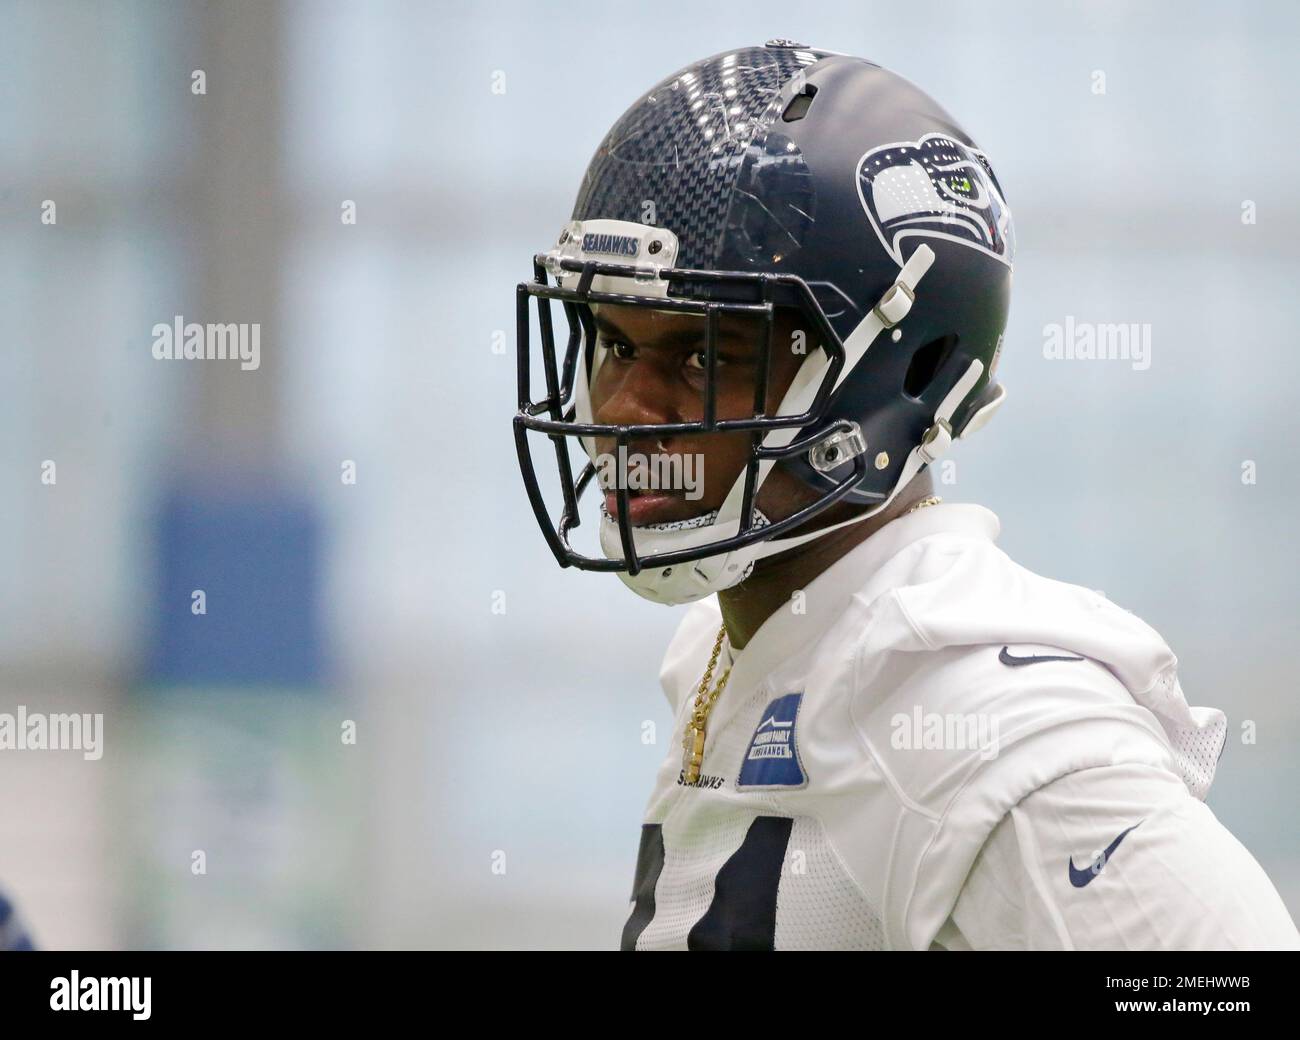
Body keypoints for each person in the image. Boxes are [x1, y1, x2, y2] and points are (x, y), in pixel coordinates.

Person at [512, 42, 1299, 950]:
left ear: (897, 373)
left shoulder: (989, 726)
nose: (625, 412)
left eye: (705, 355)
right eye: (614, 344)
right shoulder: (744, 654)